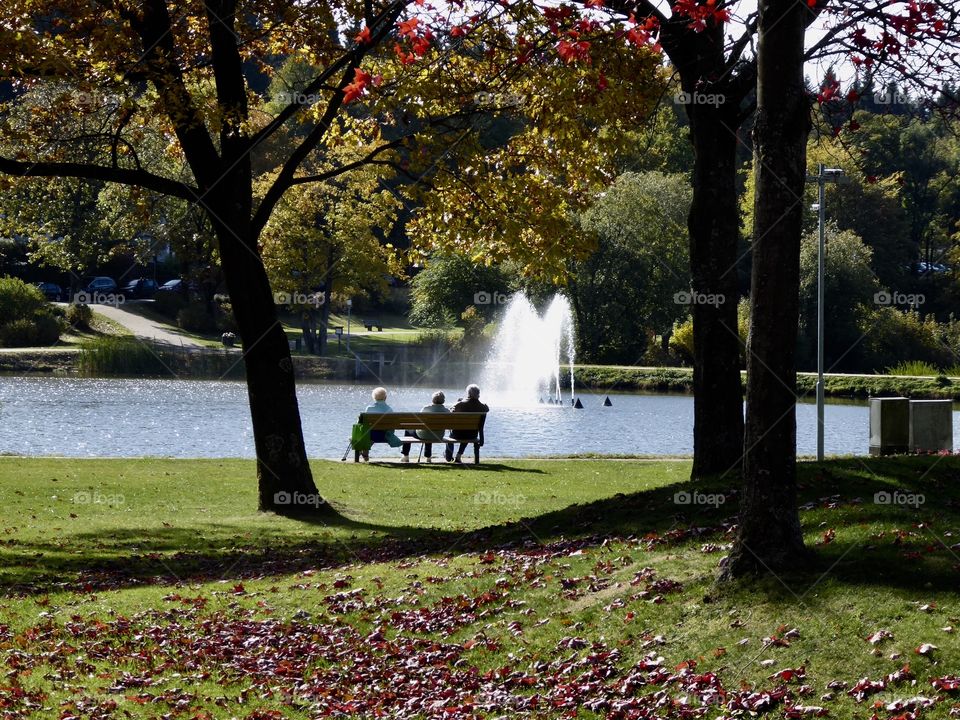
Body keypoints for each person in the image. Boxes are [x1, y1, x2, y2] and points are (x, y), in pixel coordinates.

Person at [400, 391, 449, 463]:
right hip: (439, 435)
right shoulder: (447, 411)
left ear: (433, 400)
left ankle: (405, 456)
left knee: (409, 430)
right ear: (443, 400)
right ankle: (428, 457)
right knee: (430, 430)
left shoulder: (426, 408)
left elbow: (419, 422)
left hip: (424, 434)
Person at [446, 384, 489, 463]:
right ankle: (458, 456)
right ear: (478, 394)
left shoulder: (460, 404)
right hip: (472, 435)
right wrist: (482, 439)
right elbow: (486, 409)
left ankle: (448, 456)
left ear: (468, 393)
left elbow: (451, 411)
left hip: (457, 434)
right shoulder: (483, 407)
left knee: (453, 435)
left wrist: (458, 401)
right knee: (468, 432)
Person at [361, 387, 400, 461]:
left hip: (370, 435)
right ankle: (365, 454)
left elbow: (364, 424)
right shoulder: (389, 409)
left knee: (368, 433)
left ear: (374, 397)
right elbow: (391, 426)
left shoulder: (369, 408)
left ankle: (365, 455)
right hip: (385, 436)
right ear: (385, 397)